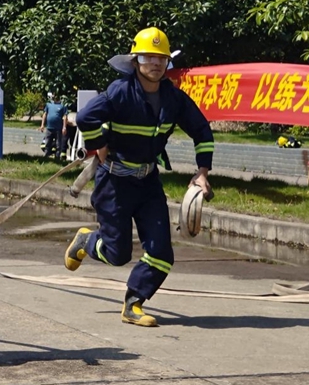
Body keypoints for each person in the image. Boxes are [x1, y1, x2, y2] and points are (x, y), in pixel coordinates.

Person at [65, 27, 213, 327]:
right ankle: (86, 241)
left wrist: (202, 172)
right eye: (148, 57)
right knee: (116, 254)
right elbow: (85, 118)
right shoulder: (121, 91)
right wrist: (99, 146)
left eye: (161, 58)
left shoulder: (174, 99)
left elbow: (202, 131)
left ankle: (133, 304)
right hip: (114, 183)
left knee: (161, 253)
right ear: (135, 61)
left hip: (147, 183)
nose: (155, 63)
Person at [39, 94, 68, 159]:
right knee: (47, 143)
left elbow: (65, 117)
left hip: (58, 129)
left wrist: (64, 127)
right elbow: (45, 114)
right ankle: (46, 157)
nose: (54, 97)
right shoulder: (48, 104)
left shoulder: (63, 105)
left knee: (58, 144)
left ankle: (57, 158)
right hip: (49, 128)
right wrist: (42, 125)